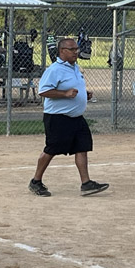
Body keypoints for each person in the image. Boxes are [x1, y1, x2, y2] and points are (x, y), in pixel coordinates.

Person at [28, 38, 108, 198]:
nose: (75, 52)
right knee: (51, 149)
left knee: (82, 147)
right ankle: (36, 181)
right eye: (71, 49)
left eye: (76, 49)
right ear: (62, 51)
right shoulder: (54, 69)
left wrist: (84, 94)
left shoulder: (75, 67)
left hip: (77, 117)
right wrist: (64, 94)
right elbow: (43, 91)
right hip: (58, 118)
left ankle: (86, 183)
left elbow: (73, 88)